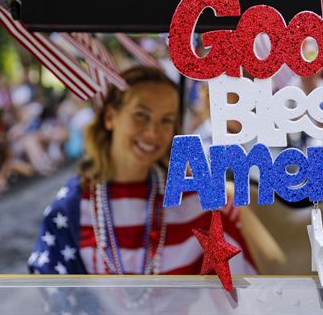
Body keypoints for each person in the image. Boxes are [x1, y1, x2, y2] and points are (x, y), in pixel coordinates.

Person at [28, 66, 256, 275]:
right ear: (110, 117)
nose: (152, 133)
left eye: (166, 120)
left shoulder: (195, 199)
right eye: (141, 115)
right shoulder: (72, 206)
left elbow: (241, 290)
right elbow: (57, 296)